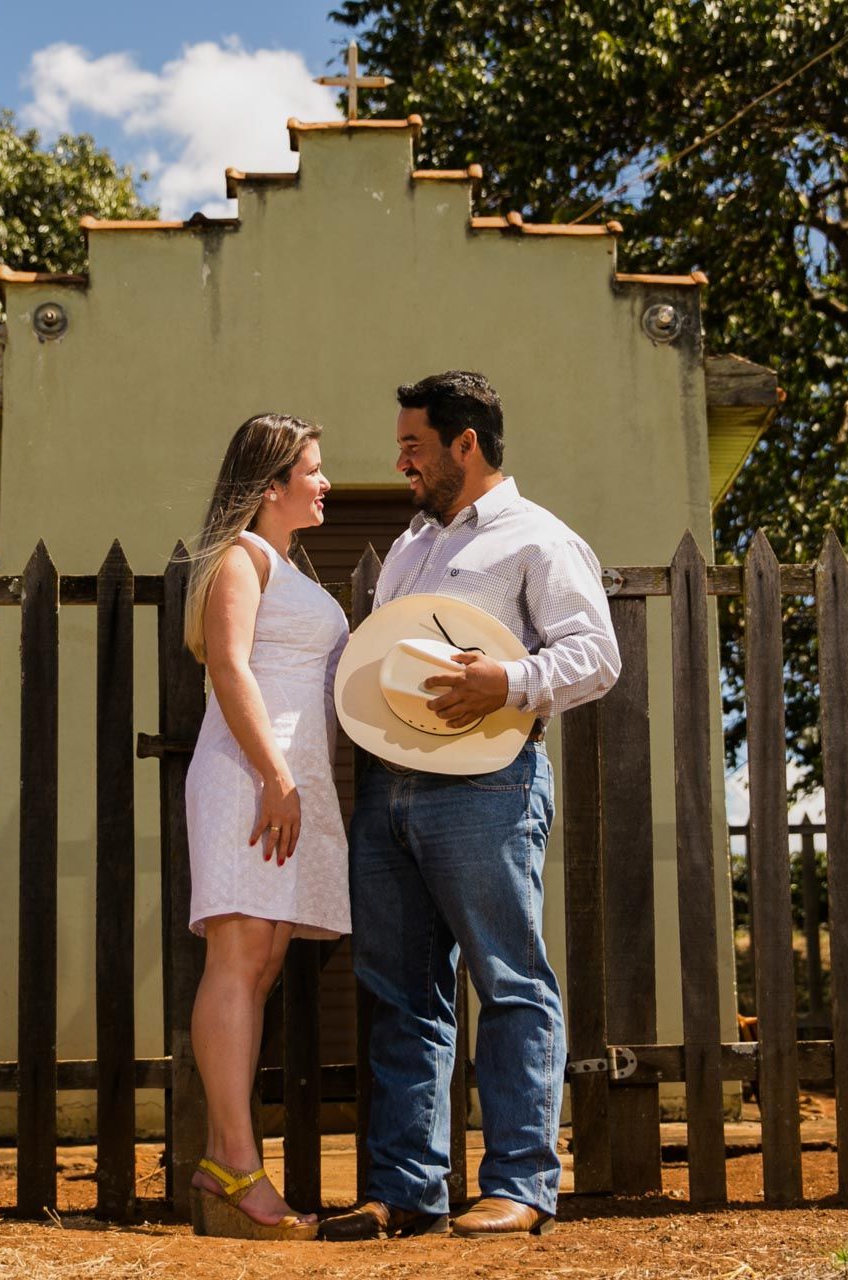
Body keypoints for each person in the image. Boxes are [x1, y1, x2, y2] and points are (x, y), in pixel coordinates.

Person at [321, 371, 620, 1240]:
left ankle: (521, 1185)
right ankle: (405, 1191)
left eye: (414, 444)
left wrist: (510, 681)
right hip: (389, 787)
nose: (399, 459)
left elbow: (595, 656)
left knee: (510, 979)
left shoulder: (539, 539)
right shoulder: (412, 545)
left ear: (467, 444)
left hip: (490, 787)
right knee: (400, 991)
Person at [182, 413, 349, 1240]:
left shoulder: (287, 565)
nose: (326, 483)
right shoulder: (243, 559)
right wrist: (276, 777)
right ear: (270, 485)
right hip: (251, 780)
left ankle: (224, 1162)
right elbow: (229, 665)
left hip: (285, 786)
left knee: (261, 964)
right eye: (312, 470)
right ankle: (241, 1173)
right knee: (239, 958)